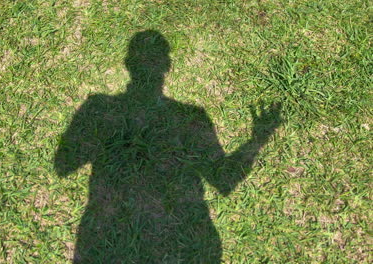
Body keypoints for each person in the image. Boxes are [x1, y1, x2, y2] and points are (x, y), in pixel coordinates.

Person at [55, 30, 281, 263]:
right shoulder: (190, 118)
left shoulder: (99, 108)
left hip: (108, 242)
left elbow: (63, 164)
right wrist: (258, 138)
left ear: (127, 63)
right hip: (177, 246)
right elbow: (224, 179)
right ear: (167, 65)